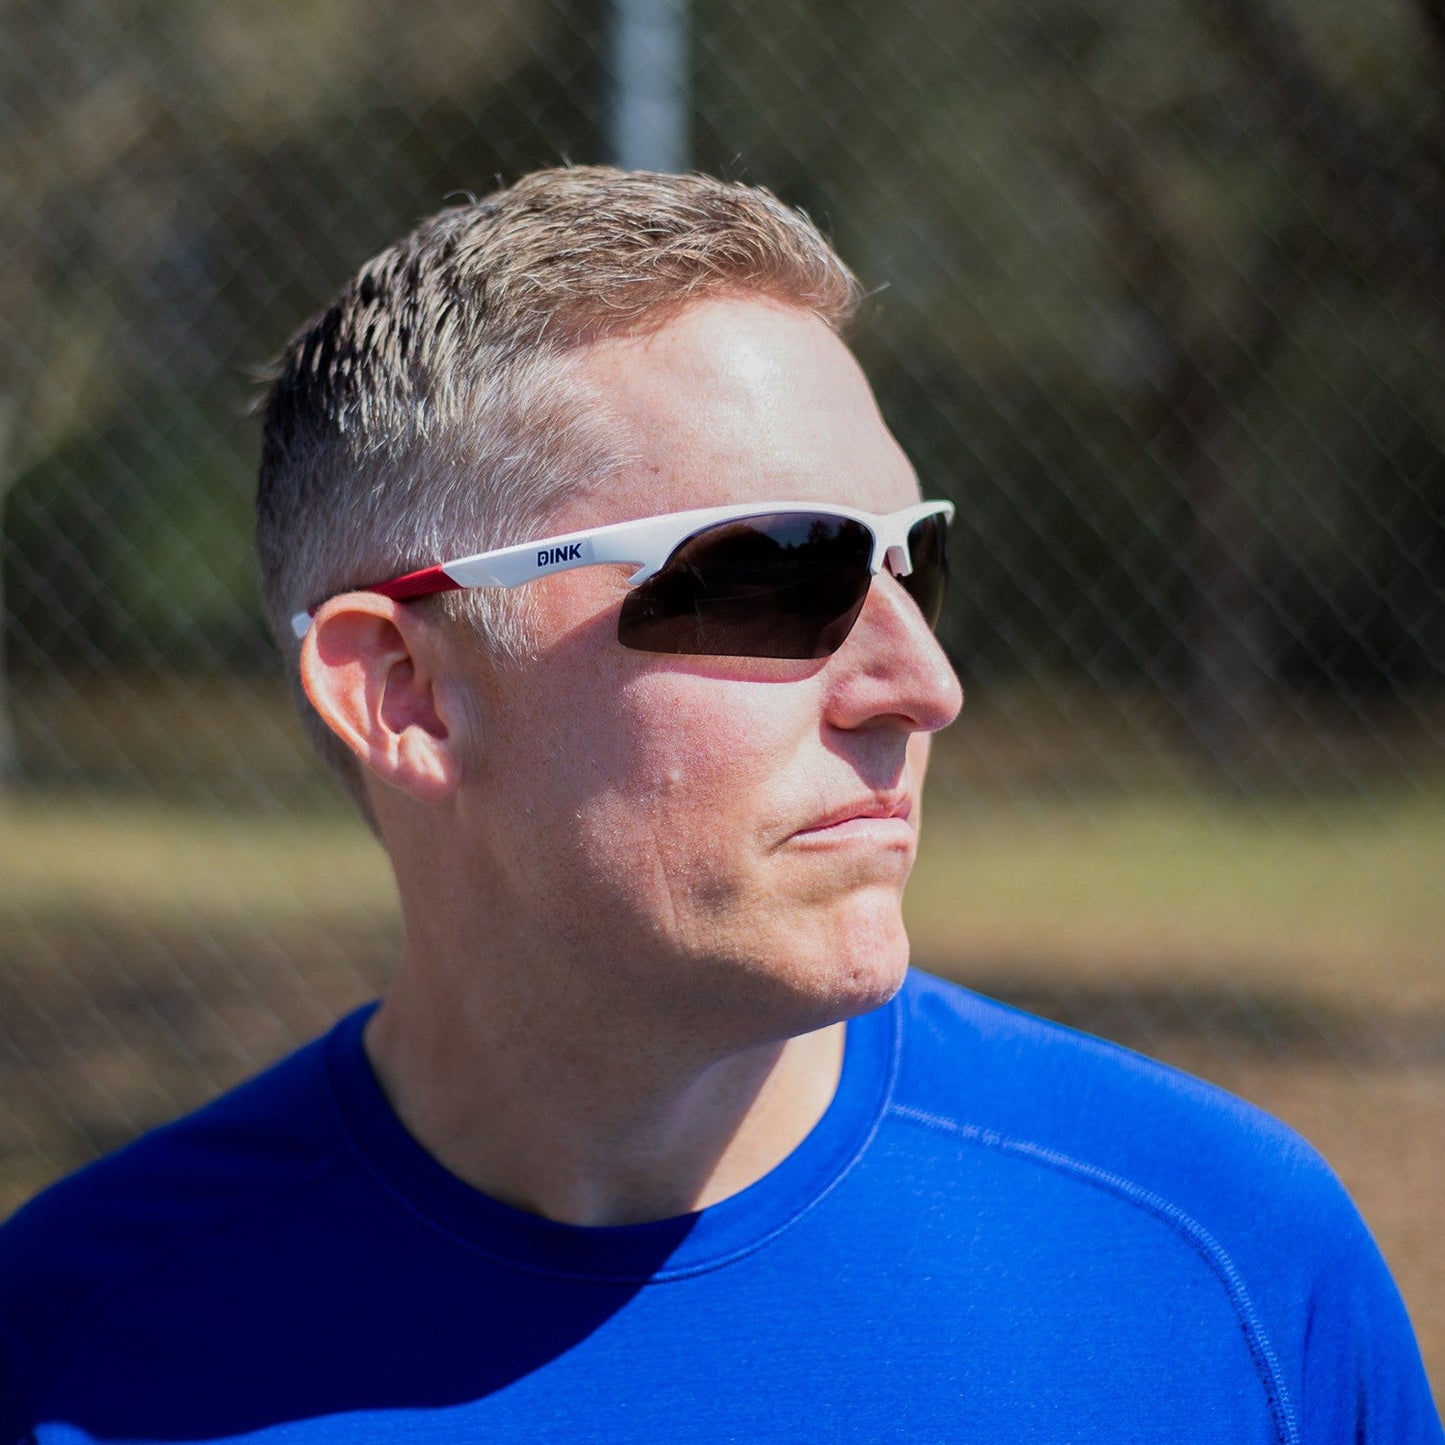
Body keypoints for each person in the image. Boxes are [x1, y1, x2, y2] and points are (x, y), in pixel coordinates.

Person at [0, 166, 1438, 1444]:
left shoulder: (1223, 1269)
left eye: (906, 563)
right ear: (404, 689)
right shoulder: (69, 1347)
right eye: (772, 573)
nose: (918, 682)